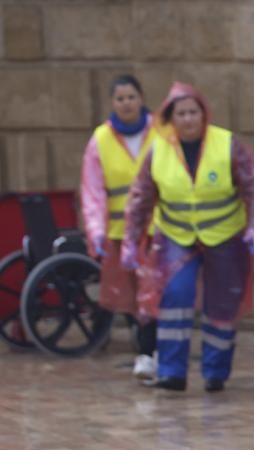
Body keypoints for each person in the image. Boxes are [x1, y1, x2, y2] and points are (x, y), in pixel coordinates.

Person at [123, 82, 254, 392]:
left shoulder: (227, 144)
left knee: (222, 304)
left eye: (193, 112)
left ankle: (215, 372)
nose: (188, 119)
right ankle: (171, 372)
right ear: (171, 118)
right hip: (177, 234)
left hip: (225, 235)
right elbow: (140, 198)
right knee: (174, 296)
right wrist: (131, 240)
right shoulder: (159, 151)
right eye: (181, 113)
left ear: (203, 115)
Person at [79, 74, 158, 382]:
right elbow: (93, 190)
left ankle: (151, 350)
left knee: (154, 292)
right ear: (112, 103)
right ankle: (144, 347)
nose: (126, 103)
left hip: (156, 230)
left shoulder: (161, 133)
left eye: (131, 97)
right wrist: (96, 231)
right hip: (119, 232)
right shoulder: (100, 139)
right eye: (120, 98)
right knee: (127, 295)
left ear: (141, 98)